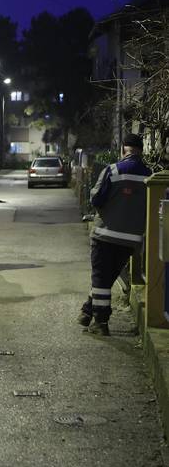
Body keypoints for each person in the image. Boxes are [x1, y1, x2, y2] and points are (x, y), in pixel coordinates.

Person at [78, 133, 151, 336]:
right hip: (131, 240)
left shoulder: (113, 170)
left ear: (122, 150)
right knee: (107, 278)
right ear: (141, 151)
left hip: (105, 234)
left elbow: (96, 198)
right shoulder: (149, 174)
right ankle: (87, 311)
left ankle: (100, 323)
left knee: (101, 278)